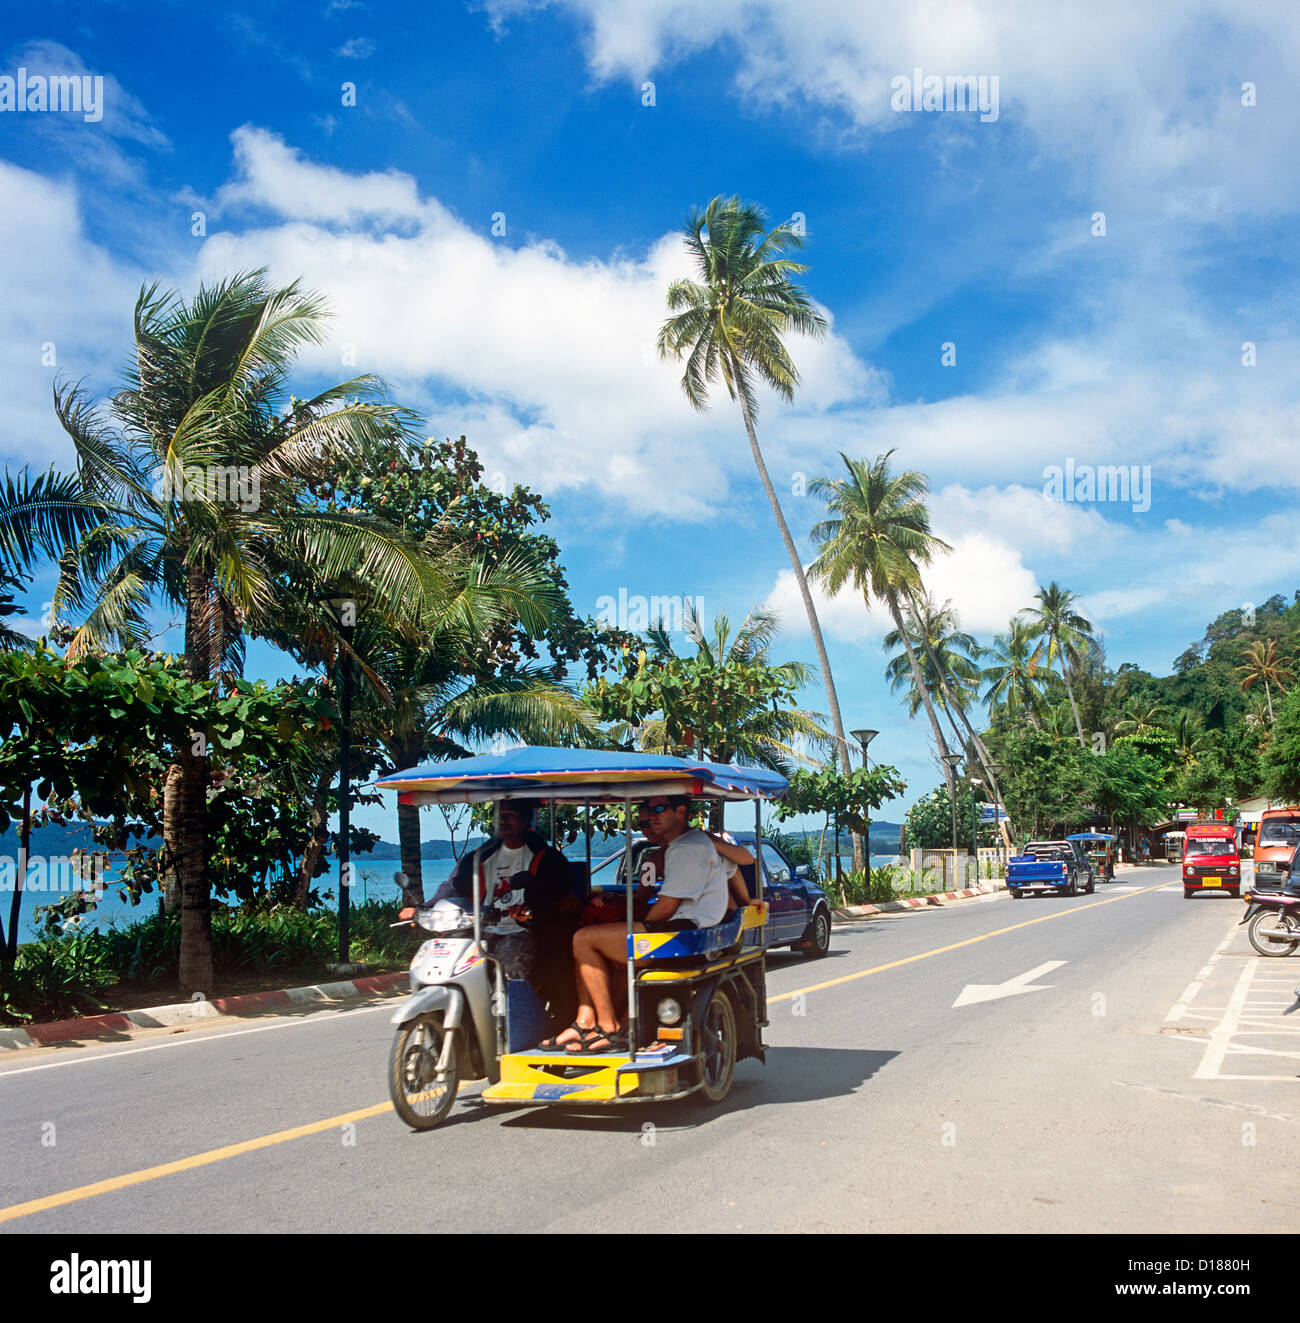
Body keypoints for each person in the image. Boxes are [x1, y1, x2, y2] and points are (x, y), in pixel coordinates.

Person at [545, 794, 728, 1054]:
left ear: (680, 812)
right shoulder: (654, 860)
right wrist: (615, 900)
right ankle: (597, 1022)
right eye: (642, 824)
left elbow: (664, 905)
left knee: (584, 939)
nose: (648, 826)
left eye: (656, 813)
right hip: (678, 922)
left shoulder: (682, 850)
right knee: (604, 947)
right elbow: (643, 895)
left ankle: (606, 1027)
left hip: (685, 929)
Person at [432, 799, 579, 1026]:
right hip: (480, 931)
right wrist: (425, 908)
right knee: (447, 963)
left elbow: (556, 894)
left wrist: (532, 911)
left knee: (510, 964)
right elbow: (453, 886)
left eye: (509, 815)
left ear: (525, 820)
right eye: (499, 815)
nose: (502, 820)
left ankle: (516, 1025)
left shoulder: (547, 858)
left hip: (523, 931)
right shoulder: (480, 856)